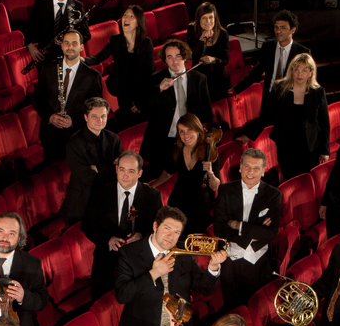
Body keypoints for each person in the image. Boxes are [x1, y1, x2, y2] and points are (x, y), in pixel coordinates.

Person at [112, 206, 226, 326]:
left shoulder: (182, 251)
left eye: (177, 232)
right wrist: (153, 273)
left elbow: (203, 288)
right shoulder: (129, 254)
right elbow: (122, 294)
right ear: (155, 226)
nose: (171, 236)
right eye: (167, 228)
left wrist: (213, 267)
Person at [82, 150, 162, 300]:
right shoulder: (100, 193)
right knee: (101, 301)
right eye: (122, 169)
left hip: (138, 261)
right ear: (116, 169)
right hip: (106, 259)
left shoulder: (152, 196)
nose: (125, 175)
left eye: (131, 171)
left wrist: (141, 236)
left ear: (140, 173)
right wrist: (108, 239)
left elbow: (157, 229)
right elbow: (87, 225)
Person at [214, 148, 283, 308]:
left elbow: (270, 233)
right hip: (230, 261)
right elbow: (219, 229)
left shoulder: (273, 195)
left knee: (255, 311)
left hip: (258, 263)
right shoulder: (225, 191)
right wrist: (255, 230)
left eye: (256, 168)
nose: (250, 172)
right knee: (232, 310)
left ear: (263, 171)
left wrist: (239, 226)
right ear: (240, 167)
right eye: (247, 166)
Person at [240, 53, 329, 177]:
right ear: (291, 70)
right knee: (290, 181)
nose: (299, 74)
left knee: (307, 183)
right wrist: (249, 134)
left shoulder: (318, 92)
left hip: (310, 148)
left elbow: (324, 123)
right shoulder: (280, 88)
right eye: (296, 69)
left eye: (304, 70)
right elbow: (267, 116)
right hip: (286, 146)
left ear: (311, 72)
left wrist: (325, 150)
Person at [145, 39, 212, 182]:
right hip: (163, 141)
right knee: (158, 180)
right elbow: (143, 106)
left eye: (178, 56)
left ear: (185, 57)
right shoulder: (156, 80)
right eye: (169, 57)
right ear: (165, 60)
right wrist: (159, 89)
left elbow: (206, 113)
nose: (174, 61)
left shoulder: (199, 79)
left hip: (190, 140)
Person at [33, 28, 102, 163]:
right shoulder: (48, 68)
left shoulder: (92, 76)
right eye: (67, 43)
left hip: (78, 137)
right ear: (62, 45)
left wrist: (74, 121)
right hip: (51, 137)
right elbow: (37, 99)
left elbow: (96, 111)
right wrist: (50, 117)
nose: (70, 47)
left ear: (81, 47)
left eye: (74, 43)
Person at [82, 5, 154, 122]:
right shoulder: (116, 40)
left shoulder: (146, 43)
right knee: (127, 119)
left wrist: (142, 99)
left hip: (140, 90)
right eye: (125, 15)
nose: (126, 18)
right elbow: (98, 58)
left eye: (131, 16)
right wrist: (82, 60)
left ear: (138, 22)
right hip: (122, 88)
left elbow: (149, 72)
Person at [154, 114, 221, 238]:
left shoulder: (209, 152)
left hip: (199, 205)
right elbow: (168, 172)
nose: (186, 135)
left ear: (198, 130)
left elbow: (214, 186)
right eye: (182, 131)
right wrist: (152, 185)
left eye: (189, 130)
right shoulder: (176, 150)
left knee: (193, 241)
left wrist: (210, 173)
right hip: (178, 200)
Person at [62, 98, 122, 224]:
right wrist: (111, 169)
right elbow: (85, 176)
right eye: (94, 116)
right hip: (83, 200)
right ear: (85, 117)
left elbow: (121, 170)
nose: (99, 120)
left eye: (103, 116)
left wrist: (98, 168)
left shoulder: (114, 139)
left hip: (108, 197)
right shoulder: (74, 143)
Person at [233, 10, 309, 96]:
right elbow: (256, 71)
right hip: (269, 97)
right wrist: (236, 90)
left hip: (289, 99)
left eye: (283, 28)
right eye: (276, 27)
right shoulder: (268, 47)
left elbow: (306, 82)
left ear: (293, 30)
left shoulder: (302, 52)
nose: (278, 31)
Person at [25, 0, 91, 64]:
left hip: (67, 58)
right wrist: (30, 45)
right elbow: (29, 29)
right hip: (44, 59)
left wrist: (70, 42)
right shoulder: (40, 4)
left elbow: (86, 35)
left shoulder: (77, 7)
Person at [186, 2, 230, 99]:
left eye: (211, 17)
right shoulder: (192, 29)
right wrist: (201, 41)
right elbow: (190, 55)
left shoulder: (223, 34)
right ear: (199, 19)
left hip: (218, 79)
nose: (208, 21)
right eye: (204, 17)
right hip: (198, 77)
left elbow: (225, 60)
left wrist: (212, 59)